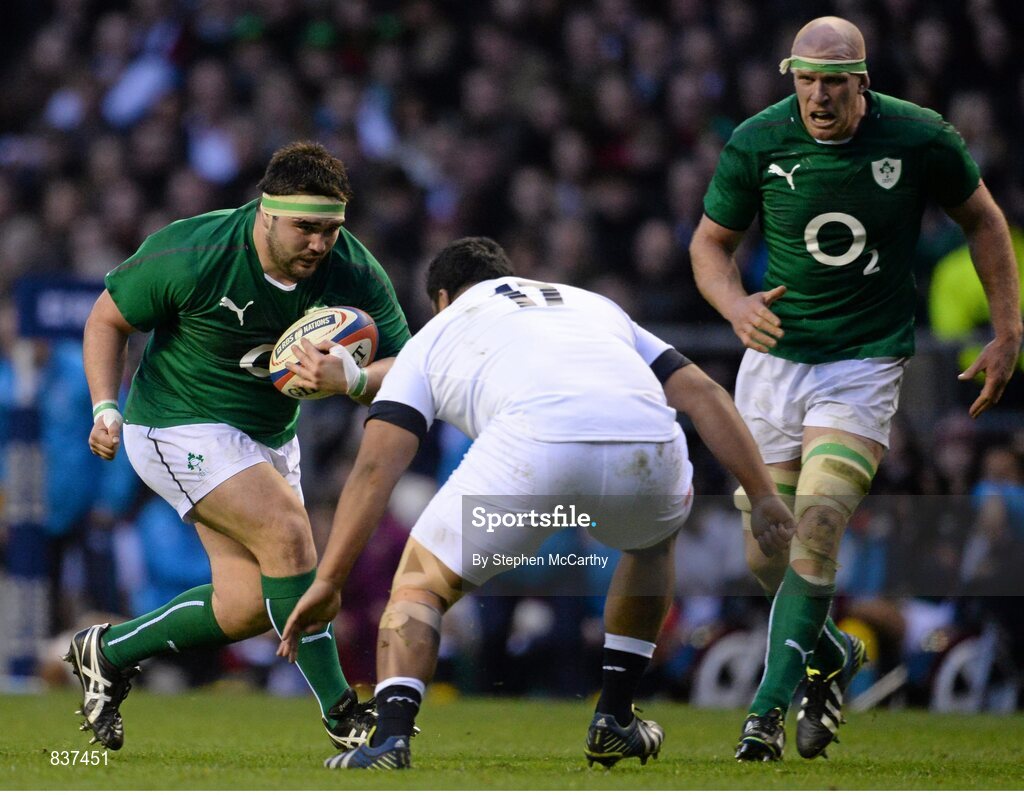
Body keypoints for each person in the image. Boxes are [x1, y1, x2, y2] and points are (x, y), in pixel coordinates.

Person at [275, 236, 795, 769]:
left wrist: (329, 580)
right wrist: (764, 494)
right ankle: (615, 715)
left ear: (442, 298)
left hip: (534, 447)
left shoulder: (438, 332)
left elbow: (375, 467)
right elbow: (705, 395)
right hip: (648, 444)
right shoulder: (591, 304)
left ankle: (390, 740)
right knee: (651, 544)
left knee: (420, 587)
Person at [689, 16, 1022, 762]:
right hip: (776, 360)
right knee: (766, 554)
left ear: (862, 82)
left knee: (820, 520)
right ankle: (829, 649)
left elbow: (985, 222)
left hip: (864, 362)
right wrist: (735, 304)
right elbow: (709, 244)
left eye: (832, 81)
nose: (817, 95)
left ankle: (764, 714)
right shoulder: (758, 140)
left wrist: (1008, 329)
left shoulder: (919, 137)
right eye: (804, 79)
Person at [67, 141, 411, 752]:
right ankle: (343, 714)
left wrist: (353, 379)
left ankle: (107, 652)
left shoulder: (353, 268)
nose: (320, 243)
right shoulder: (192, 251)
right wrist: (104, 405)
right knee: (290, 535)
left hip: (269, 436)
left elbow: (406, 368)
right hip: (175, 424)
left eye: (331, 229)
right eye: (306, 228)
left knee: (248, 605)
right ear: (267, 212)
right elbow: (106, 319)